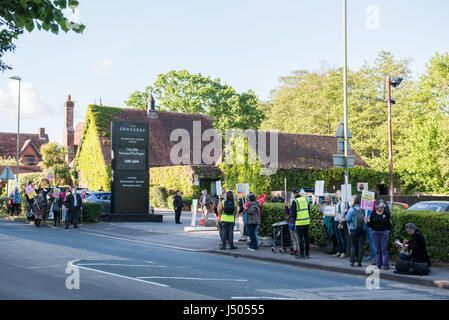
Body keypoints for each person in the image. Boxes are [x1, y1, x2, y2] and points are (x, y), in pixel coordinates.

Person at [367, 200, 392, 270]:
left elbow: (389, 223)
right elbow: (370, 225)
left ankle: (386, 265)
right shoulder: (373, 214)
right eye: (380, 207)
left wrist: (389, 230)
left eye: (383, 207)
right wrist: (367, 221)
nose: (382, 208)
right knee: (377, 249)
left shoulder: (386, 214)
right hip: (375, 233)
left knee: (384, 249)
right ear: (377, 207)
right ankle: (378, 264)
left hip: (384, 232)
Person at [342, 195, 366, 267]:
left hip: (353, 229)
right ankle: (359, 262)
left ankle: (352, 262)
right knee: (361, 246)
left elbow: (348, 219)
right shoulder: (364, 209)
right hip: (362, 229)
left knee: (353, 246)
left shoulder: (351, 209)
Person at [291, 188, 311, 259]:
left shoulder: (295, 201)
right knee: (306, 238)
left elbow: (293, 214)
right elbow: (308, 210)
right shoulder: (305, 200)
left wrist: (296, 220)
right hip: (306, 222)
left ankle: (302, 254)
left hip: (299, 222)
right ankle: (307, 254)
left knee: (300, 239)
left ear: (294, 194)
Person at [333, 190, 347, 258]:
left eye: (336, 193)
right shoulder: (337, 202)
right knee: (338, 237)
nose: (335, 194)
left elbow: (342, 213)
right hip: (336, 221)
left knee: (341, 237)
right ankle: (339, 251)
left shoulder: (342, 203)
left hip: (340, 221)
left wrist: (340, 222)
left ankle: (343, 252)